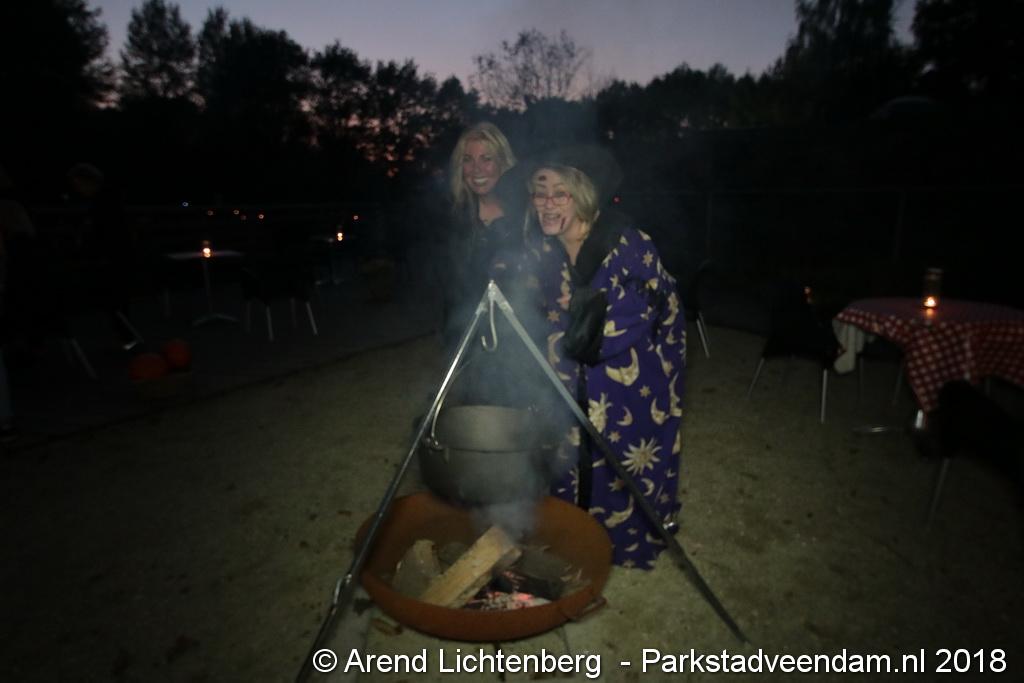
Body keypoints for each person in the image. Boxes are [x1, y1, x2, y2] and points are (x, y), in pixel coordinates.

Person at [522, 147, 687, 569]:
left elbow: (631, 317)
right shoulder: (548, 250)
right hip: (575, 377)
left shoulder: (627, 244)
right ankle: (574, 532)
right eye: (540, 191)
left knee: (620, 459)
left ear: (582, 195)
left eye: (560, 193)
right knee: (568, 453)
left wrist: (579, 312)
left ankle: (621, 543)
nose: (548, 203)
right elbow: (542, 312)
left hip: (633, 381)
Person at [440, 122, 520, 350]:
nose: (477, 169)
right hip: (468, 333)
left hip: (522, 329)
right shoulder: (452, 218)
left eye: (487, 159)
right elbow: (450, 289)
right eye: (468, 160)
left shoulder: (525, 214)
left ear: (503, 162)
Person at [66, 163, 143, 350]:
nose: (78, 189)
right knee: (116, 301)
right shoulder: (104, 200)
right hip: (114, 257)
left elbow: (110, 233)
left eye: (79, 184)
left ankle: (130, 340)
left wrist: (97, 250)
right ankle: (127, 339)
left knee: (117, 300)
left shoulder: (105, 202)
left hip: (114, 258)